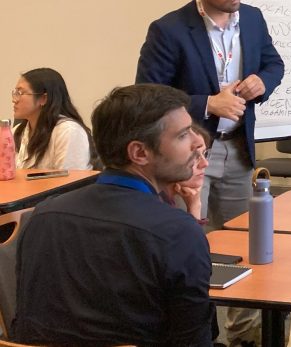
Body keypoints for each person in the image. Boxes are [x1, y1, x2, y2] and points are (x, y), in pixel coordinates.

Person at [12, 84, 213, 346]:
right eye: (184, 135)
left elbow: (26, 321)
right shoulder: (177, 233)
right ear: (139, 152)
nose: (198, 143)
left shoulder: (42, 215)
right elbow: (194, 340)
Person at [136, 0, 284, 229]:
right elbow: (148, 95)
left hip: (240, 149)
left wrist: (263, 82)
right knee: (190, 232)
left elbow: (274, 64)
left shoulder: (252, 18)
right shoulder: (169, 30)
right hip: (190, 152)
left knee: (242, 236)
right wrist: (208, 103)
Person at [12, 67, 98, 170]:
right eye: (15, 93)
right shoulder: (16, 131)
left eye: (20, 93)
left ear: (43, 98)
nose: (14, 100)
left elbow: (71, 182)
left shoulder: (68, 131)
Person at [161, 124, 213, 223]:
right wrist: (194, 207)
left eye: (205, 154)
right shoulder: (156, 207)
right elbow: (193, 238)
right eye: (194, 156)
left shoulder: (166, 199)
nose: (205, 163)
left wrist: (194, 204)